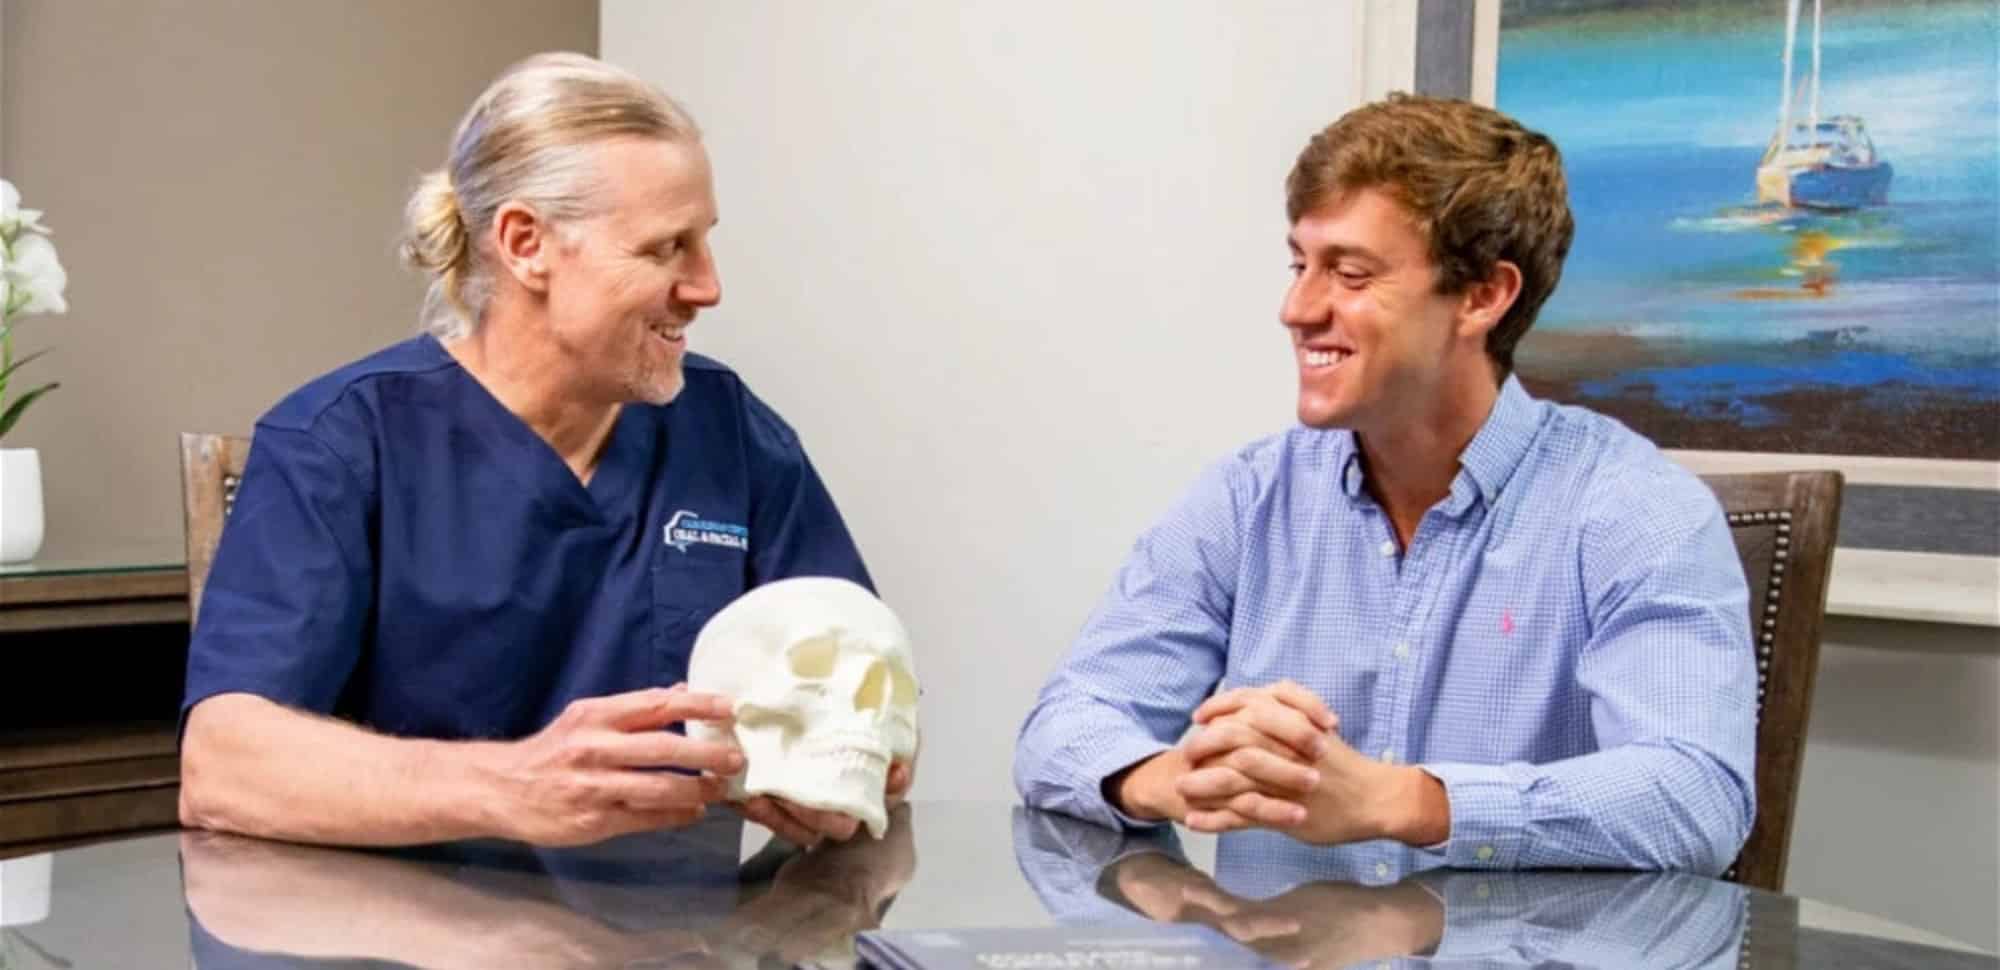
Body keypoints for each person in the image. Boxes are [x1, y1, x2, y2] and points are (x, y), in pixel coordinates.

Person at [179, 53, 908, 849]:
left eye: (705, 242)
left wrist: (860, 760)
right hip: (409, 935)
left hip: (686, 944)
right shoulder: (341, 443)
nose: (708, 286)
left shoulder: (731, 433)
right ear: (527, 245)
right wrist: (511, 786)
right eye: (667, 248)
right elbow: (225, 767)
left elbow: (864, 673)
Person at [1014, 94, 1755, 873]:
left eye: (1350, 273)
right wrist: (1174, 777)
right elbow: (1063, 726)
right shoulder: (1246, 500)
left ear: (1482, 296)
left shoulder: (1637, 511)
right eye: (1300, 264)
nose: (1296, 309)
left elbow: (1694, 797)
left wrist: (1402, 802)